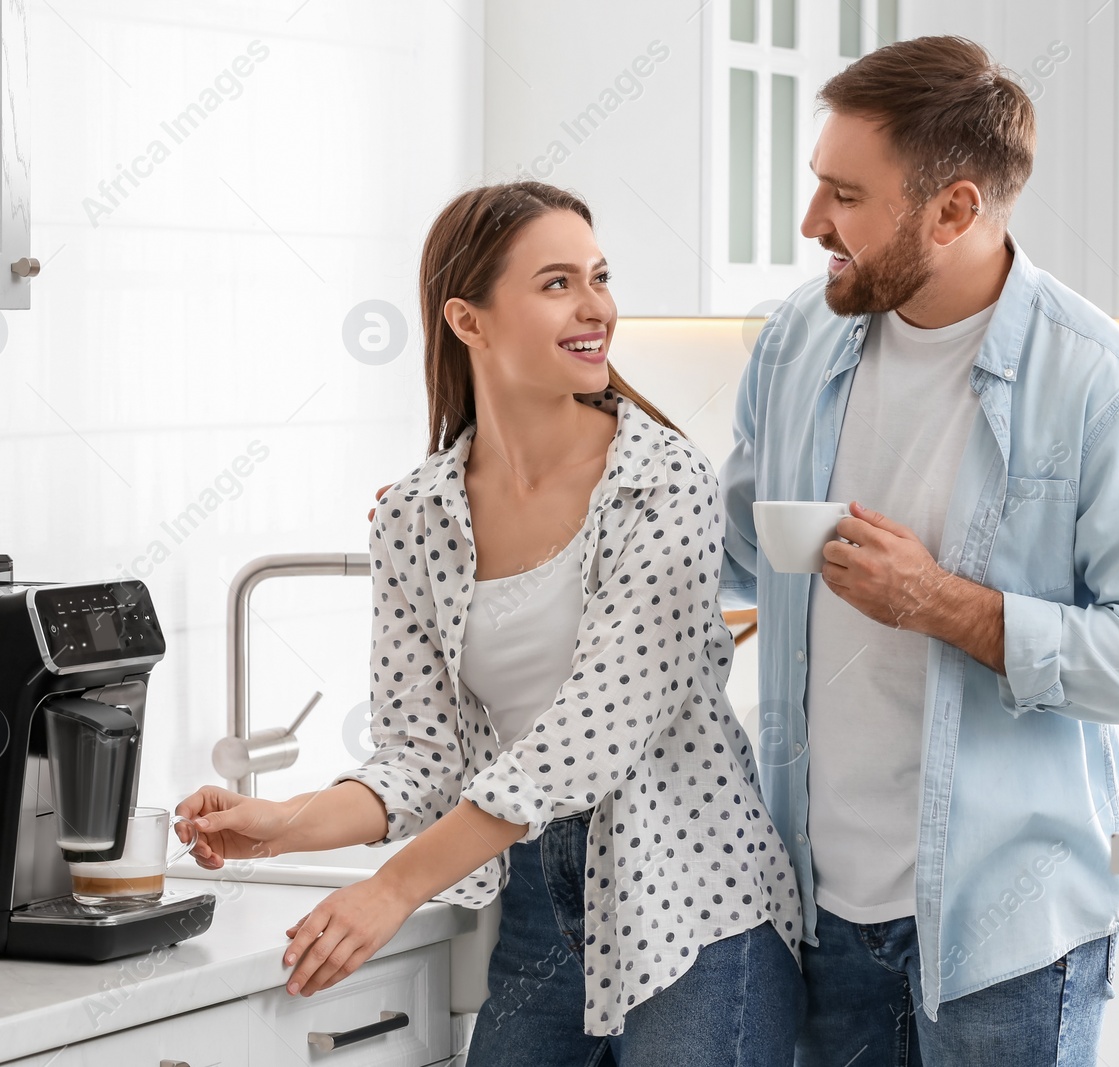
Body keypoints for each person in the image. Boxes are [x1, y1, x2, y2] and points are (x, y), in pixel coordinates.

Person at [177, 181, 802, 1066]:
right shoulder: (416, 517)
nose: (597, 308)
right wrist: (285, 818)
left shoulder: (664, 482)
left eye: (598, 276)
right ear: (467, 320)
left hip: (697, 903)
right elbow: (419, 754)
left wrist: (393, 887)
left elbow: (591, 734)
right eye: (557, 283)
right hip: (540, 906)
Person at [717, 36, 1119, 1066]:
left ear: (953, 209)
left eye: (844, 196)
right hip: (813, 911)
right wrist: (499, 493)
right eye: (818, 185)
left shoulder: (1103, 388)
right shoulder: (794, 340)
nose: (811, 222)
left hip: (1007, 932)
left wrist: (944, 602)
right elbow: (730, 547)